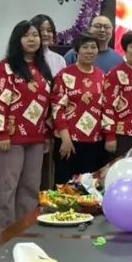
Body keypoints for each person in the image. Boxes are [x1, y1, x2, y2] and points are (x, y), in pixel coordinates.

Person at [0, 20, 52, 233]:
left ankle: (26, 232)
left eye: (35, 35)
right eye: (26, 35)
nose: (32, 39)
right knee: (6, 188)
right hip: (10, 138)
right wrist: (2, 133)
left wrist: (46, 135)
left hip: (36, 138)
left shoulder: (42, 68)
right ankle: (2, 235)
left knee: (31, 187)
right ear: (17, 40)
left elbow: (47, 105)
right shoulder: (5, 67)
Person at [51, 33, 107, 183]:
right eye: (85, 47)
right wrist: (65, 139)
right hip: (68, 140)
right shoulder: (64, 75)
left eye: (93, 47)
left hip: (95, 140)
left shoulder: (102, 76)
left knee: (89, 185)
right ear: (77, 50)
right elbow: (57, 108)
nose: (90, 51)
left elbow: (106, 107)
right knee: (65, 185)